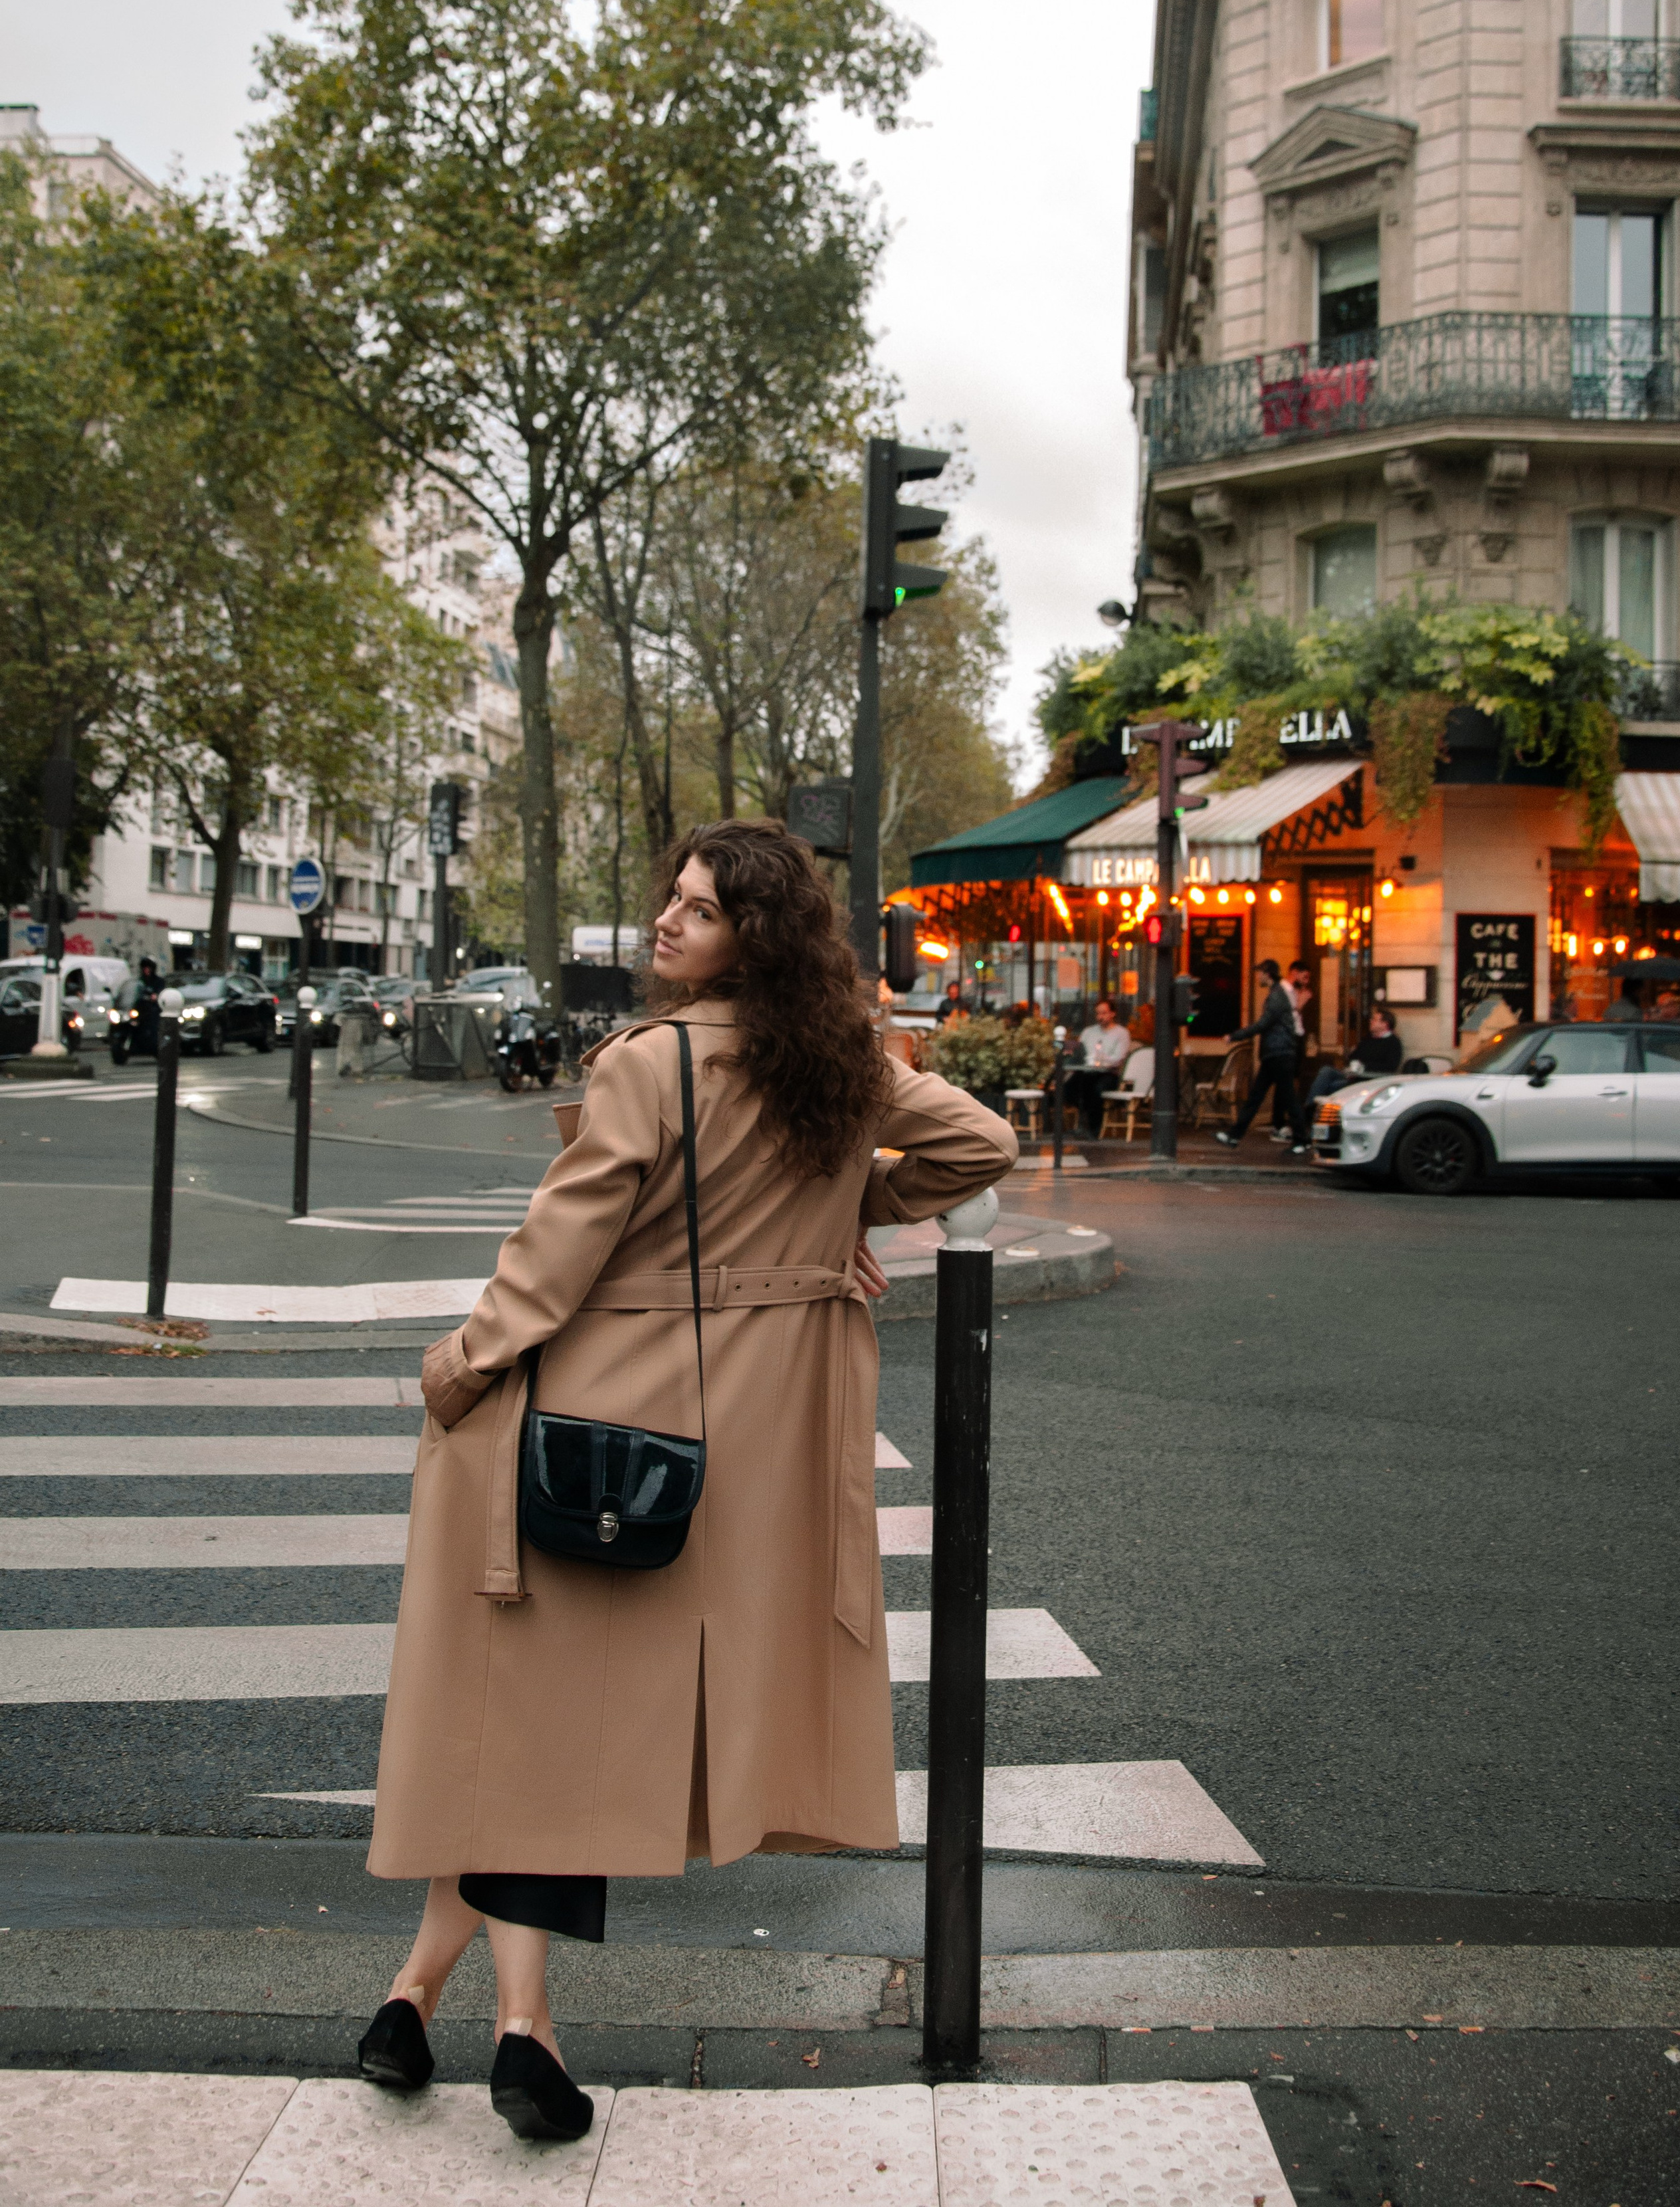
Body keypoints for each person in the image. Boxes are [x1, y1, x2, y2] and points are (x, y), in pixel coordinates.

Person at [357, 817, 1017, 2141]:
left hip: (591, 1429)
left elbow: (560, 1246)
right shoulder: (837, 1067)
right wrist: (844, 1216)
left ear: (748, 938)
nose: (666, 919)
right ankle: (422, 2000)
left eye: (700, 908)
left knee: (523, 1734)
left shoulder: (648, 1062)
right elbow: (976, 1148)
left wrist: (457, 1363)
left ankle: (503, 2022)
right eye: (671, 896)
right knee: (527, 1739)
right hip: (741, 1454)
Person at [1216, 958, 1310, 1151]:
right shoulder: (1277, 993)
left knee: (1288, 1097)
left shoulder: (1276, 996)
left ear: (1268, 974)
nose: (1258, 976)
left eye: (1260, 973)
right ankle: (1234, 1136)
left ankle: (1302, 1140)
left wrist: (1234, 1036)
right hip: (1275, 1053)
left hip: (1280, 1052)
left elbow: (1263, 1024)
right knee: (1257, 1096)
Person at [1293, 1003, 1404, 1140]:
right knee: (1327, 1071)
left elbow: (1391, 1066)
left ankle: (1308, 1114)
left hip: (1367, 1080)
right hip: (1353, 1075)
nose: (1371, 1021)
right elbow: (1353, 1057)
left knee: (1332, 1087)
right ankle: (1310, 1108)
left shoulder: (1393, 1043)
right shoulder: (1368, 1039)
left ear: (1385, 1024)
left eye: (1375, 1019)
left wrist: (1364, 1067)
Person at [1063, 998, 1132, 1138]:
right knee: (1069, 1088)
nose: (1100, 1017)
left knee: (1097, 1090)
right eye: (1098, 1014)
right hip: (1087, 1071)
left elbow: (1119, 1058)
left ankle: (1094, 1129)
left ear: (1113, 1014)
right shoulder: (1089, 1032)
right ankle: (1083, 1122)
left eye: (1104, 1013)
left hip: (1109, 1073)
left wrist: (1100, 1060)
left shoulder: (1121, 1033)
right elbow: (1079, 1051)